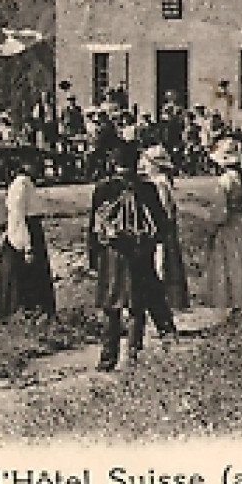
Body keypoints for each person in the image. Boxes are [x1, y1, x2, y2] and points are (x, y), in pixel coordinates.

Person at [87, 142, 174, 371]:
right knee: (137, 306)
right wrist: (153, 244)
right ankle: (133, 357)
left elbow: (93, 228)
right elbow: (162, 224)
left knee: (111, 306)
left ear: (113, 162)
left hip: (112, 253)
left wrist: (93, 256)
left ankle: (107, 359)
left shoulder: (103, 188)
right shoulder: (147, 188)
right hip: (140, 252)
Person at [202, 134, 242, 314]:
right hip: (240, 223)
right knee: (241, 260)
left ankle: (233, 300)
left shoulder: (225, 180)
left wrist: (212, 226)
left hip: (228, 225)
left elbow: (220, 209)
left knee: (229, 262)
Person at [0, 162, 57, 320]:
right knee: (21, 274)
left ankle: (38, 311)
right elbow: (18, 217)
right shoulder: (21, 185)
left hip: (31, 230)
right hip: (25, 232)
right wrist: (26, 245)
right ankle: (19, 311)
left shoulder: (28, 184)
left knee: (35, 274)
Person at [139, 141, 189, 321]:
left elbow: (164, 211)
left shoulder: (160, 184)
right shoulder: (161, 182)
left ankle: (166, 303)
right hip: (166, 230)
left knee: (162, 264)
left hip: (162, 232)